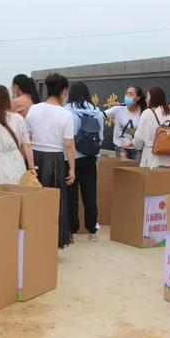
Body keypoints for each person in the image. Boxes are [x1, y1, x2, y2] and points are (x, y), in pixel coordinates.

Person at [26, 73, 76, 248]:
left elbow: (27, 136)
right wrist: (72, 169)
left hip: (35, 158)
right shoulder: (65, 114)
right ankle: (51, 241)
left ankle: (33, 238)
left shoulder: (34, 109)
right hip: (55, 160)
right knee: (55, 202)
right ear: (64, 91)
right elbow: (69, 144)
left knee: (34, 200)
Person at [65, 82, 104, 241]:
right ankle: (92, 231)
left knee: (71, 196)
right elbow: (100, 137)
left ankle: (72, 231)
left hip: (71, 158)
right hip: (90, 159)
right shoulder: (97, 112)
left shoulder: (67, 111)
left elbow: (67, 138)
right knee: (90, 195)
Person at [124, 86, 170, 168]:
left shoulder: (147, 113)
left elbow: (139, 139)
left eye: (148, 96)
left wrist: (132, 143)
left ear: (154, 98)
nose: (146, 99)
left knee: (151, 181)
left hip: (152, 159)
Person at [104, 86, 146, 163]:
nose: (127, 96)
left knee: (136, 172)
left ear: (138, 98)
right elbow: (102, 115)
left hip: (137, 147)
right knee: (123, 171)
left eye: (130, 94)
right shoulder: (119, 108)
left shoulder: (144, 111)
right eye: (126, 94)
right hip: (121, 146)